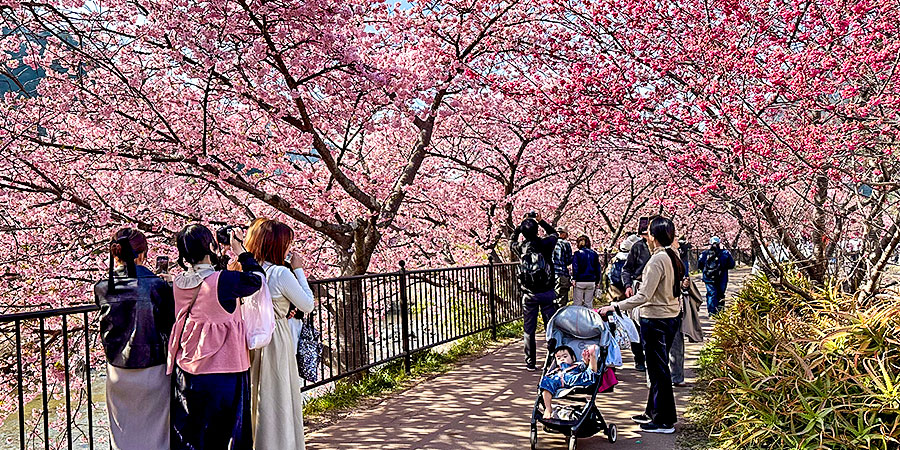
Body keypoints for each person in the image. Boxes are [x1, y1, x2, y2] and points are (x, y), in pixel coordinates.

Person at [168, 224, 263, 450]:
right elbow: (257, 279)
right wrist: (240, 250)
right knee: (227, 434)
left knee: (192, 434)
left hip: (188, 366)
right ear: (211, 246)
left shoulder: (179, 282)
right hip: (225, 368)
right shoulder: (224, 281)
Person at [600, 216, 686, 434]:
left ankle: (664, 420)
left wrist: (615, 307)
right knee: (658, 368)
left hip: (656, 319)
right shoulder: (672, 254)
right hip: (670, 316)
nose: (645, 237)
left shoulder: (658, 260)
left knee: (658, 371)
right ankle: (652, 411)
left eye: (647, 233)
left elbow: (644, 295)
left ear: (654, 237)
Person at [94, 228, 175, 450]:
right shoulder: (158, 286)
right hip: (154, 368)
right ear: (142, 254)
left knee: (123, 437)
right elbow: (170, 323)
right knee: (158, 436)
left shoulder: (101, 288)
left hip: (118, 371)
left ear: (115, 254)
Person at [246, 219, 315, 450]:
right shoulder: (279, 273)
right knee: (279, 392)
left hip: (250, 337)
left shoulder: (243, 270)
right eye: (287, 244)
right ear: (276, 245)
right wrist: (299, 270)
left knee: (256, 393)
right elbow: (307, 304)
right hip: (275, 336)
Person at [510, 213, 559, 371]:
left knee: (529, 329)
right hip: (547, 292)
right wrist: (540, 221)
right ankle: (553, 358)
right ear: (538, 230)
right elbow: (554, 233)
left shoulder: (520, 248)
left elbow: (511, 241)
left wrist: (520, 227)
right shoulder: (546, 244)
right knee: (550, 326)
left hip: (529, 294)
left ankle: (530, 361)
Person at [539, 345, 601, 420]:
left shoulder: (576, 365)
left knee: (588, 375)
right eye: (558, 358)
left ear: (573, 358)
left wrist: (586, 362)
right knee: (546, 382)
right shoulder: (556, 369)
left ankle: (592, 357)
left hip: (573, 379)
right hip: (557, 381)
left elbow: (584, 367)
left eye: (565, 356)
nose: (562, 359)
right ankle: (548, 408)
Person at [697, 236, 736, 316]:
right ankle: (720, 312)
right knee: (721, 294)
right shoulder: (725, 253)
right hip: (722, 277)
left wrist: (706, 270)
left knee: (711, 294)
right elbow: (732, 265)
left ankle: (712, 313)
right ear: (719, 244)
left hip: (708, 278)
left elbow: (699, 265)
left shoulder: (704, 253)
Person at [571, 235, 602, 308]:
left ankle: (578, 318)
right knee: (588, 304)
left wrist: (574, 278)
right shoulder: (594, 254)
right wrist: (597, 281)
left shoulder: (577, 254)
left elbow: (575, 267)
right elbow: (598, 268)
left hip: (580, 281)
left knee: (577, 304)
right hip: (591, 281)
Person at [553, 227, 574, 305]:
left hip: (549, 274)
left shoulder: (549, 242)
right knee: (562, 298)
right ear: (563, 234)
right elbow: (568, 260)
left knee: (551, 298)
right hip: (561, 273)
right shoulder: (565, 244)